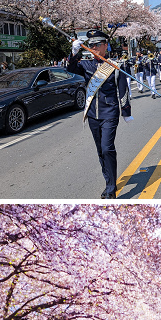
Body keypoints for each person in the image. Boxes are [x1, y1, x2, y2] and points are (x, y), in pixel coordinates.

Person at [67, 29, 132, 199]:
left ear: (105, 45)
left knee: (107, 148)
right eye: (91, 45)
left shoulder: (115, 65)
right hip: (93, 114)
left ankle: (111, 187)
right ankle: (108, 181)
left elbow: (123, 89)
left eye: (97, 45)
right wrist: (74, 53)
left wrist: (126, 111)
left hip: (110, 112)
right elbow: (71, 68)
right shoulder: (86, 64)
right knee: (100, 150)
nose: (94, 47)